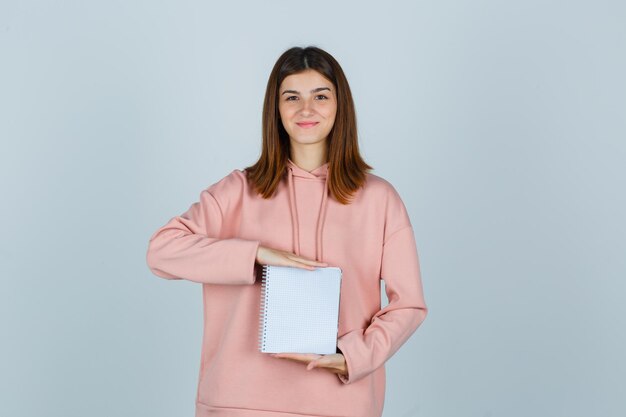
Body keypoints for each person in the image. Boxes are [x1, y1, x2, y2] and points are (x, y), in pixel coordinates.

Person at [146, 45, 428, 417]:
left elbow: (408, 304)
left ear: (339, 105)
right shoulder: (238, 190)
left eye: (320, 96)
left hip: (341, 403)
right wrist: (255, 253)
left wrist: (353, 356)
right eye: (291, 97)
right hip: (238, 401)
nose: (306, 109)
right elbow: (161, 252)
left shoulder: (379, 199)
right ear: (276, 109)